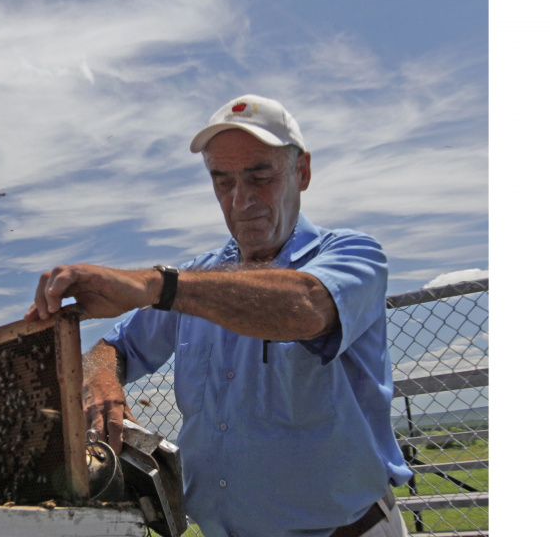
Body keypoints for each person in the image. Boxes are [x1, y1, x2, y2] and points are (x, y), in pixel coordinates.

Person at [24, 95, 413, 537]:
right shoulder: (196, 279)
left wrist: (155, 286)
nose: (241, 199)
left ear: (301, 172)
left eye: (260, 175)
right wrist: (101, 383)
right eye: (222, 181)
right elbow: (112, 348)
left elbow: (305, 307)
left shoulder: (351, 255)